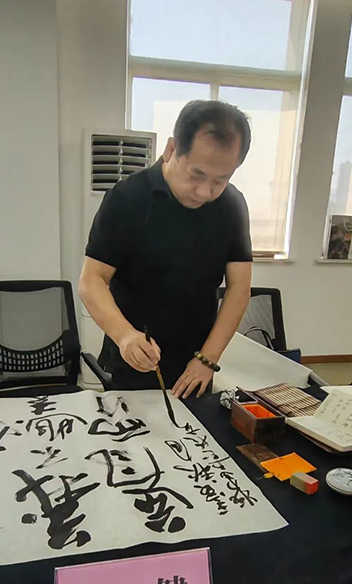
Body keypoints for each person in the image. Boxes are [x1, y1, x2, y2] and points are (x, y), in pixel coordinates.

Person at [79, 100, 252, 399]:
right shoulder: (128, 199)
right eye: (196, 175)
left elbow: (239, 288)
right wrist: (125, 336)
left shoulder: (231, 206)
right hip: (135, 357)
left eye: (220, 180)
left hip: (197, 362)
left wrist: (207, 359)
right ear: (172, 149)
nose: (205, 192)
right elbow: (91, 280)